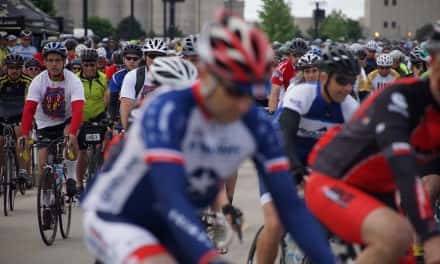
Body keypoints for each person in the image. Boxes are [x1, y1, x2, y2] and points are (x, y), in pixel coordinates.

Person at [82, 10, 334, 264]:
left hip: (173, 219)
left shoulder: (255, 123)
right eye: (235, 91)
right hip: (119, 216)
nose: (243, 105)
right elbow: (169, 196)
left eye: (251, 92)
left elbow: (290, 207)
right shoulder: (167, 109)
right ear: (208, 76)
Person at [304, 20, 440, 264]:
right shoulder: (402, 97)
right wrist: (430, 234)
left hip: (381, 193)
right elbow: (404, 168)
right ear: (432, 62)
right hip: (333, 180)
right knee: (396, 234)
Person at [256, 48, 360, 264]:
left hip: (314, 162)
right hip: (277, 156)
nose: (347, 88)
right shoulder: (301, 93)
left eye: (351, 82)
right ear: (324, 77)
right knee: (275, 224)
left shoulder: (350, 107)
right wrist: (295, 171)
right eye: (341, 81)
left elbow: (354, 154)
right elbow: (285, 136)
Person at [20, 42, 85, 203]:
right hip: (44, 125)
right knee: (43, 168)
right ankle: (47, 202)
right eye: (50, 60)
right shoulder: (38, 81)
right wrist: (25, 134)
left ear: (64, 62)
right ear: (45, 62)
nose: (54, 64)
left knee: (71, 139)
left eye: (57, 60)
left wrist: (72, 134)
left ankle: (70, 176)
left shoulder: (74, 81)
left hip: (65, 121)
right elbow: (29, 109)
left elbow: (78, 109)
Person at [75, 48, 108, 194]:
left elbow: (107, 100)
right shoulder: (75, 79)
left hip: (99, 118)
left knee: (105, 145)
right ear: (82, 64)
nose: (89, 68)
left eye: (92, 65)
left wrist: (107, 119)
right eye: (86, 65)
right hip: (81, 120)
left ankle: (103, 176)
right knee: (82, 153)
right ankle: (79, 183)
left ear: (97, 64)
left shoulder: (103, 78)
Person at [119, 38, 167, 128]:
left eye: (160, 56)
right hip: (138, 125)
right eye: (152, 56)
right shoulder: (133, 76)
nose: (155, 60)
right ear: (145, 57)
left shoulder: (172, 77)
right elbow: (126, 106)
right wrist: (127, 131)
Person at [0, 54, 33, 184]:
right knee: (0, 141)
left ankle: (23, 170)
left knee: (21, 137)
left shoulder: (28, 81)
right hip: (2, 116)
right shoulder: (1, 81)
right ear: (6, 68)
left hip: (20, 116)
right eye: (11, 68)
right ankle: (2, 169)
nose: (14, 71)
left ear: (21, 69)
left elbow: (31, 101)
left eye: (17, 68)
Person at [268, 38, 308, 113]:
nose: (298, 58)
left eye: (301, 55)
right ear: (290, 55)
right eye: (295, 55)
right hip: (285, 106)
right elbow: (274, 93)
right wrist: (272, 112)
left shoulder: (309, 69)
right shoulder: (281, 68)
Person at [108, 44, 142, 122]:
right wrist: (113, 121)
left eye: (135, 59)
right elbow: (113, 102)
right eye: (128, 58)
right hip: (123, 116)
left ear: (140, 60)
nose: (131, 61)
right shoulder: (117, 76)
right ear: (123, 59)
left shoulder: (147, 75)